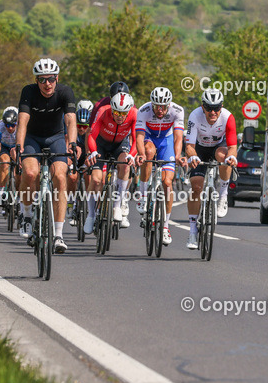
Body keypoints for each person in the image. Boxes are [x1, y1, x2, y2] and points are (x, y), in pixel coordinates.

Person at [14, 58, 77, 254]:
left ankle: (58, 234)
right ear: (36, 80)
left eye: (50, 79)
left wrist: (73, 144)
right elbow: (22, 121)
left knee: (60, 175)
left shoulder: (65, 92)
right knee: (31, 173)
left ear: (56, 78)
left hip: (55, 137)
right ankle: (25, 214)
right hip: (32, 138)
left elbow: (70, 120)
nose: (47, 84)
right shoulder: (29, 91)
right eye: (42, 80)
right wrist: (19, 145)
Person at [183, 88, 238, 249]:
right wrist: (192, 156)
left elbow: (232, 146)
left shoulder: (228, 117)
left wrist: (231, 157)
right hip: (199, 149)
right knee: (196, 186)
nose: (212, 112)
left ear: (221, 107)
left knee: (224, 157)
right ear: (202, 107)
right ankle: (192, 231)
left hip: (218, 148)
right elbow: (190, 146)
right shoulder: (195, 116)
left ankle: (223, 195)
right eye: (209, 108)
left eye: (216, 108)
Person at [135, 87, 184, 246]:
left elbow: (178, 138)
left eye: (164, 106)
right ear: (152, 104)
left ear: (169, 105)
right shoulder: (144, 110)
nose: (160, 110)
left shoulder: (177, 111)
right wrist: (141, 154)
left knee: (167, 183)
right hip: (149, 138)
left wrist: (177, 156)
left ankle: (165, 227)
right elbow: (140, 137)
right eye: (157, 106)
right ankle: (143, 195)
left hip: (167, 141)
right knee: (148, 153)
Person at [85, 91, 138, 233]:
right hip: (101, 144)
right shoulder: (103, 111)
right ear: (111, 109)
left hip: (120, 145)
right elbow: (91, 135)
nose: (119, 116)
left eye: (123, 113)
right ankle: (90, 215)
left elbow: (135, 138)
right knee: (95, 181)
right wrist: (94, 151)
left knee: (125, 166)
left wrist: (132, 156)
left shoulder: (134, 113)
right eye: (116, 112)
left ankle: (117, 205)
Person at [0, 107, 19, 207]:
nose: (10, 128)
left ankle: (18, 193)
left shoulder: (22, 125)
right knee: (4, 162)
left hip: (17, 146)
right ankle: (1, 192)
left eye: (13, 125)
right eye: (8, 125)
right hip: (4, 146)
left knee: (18, 168)